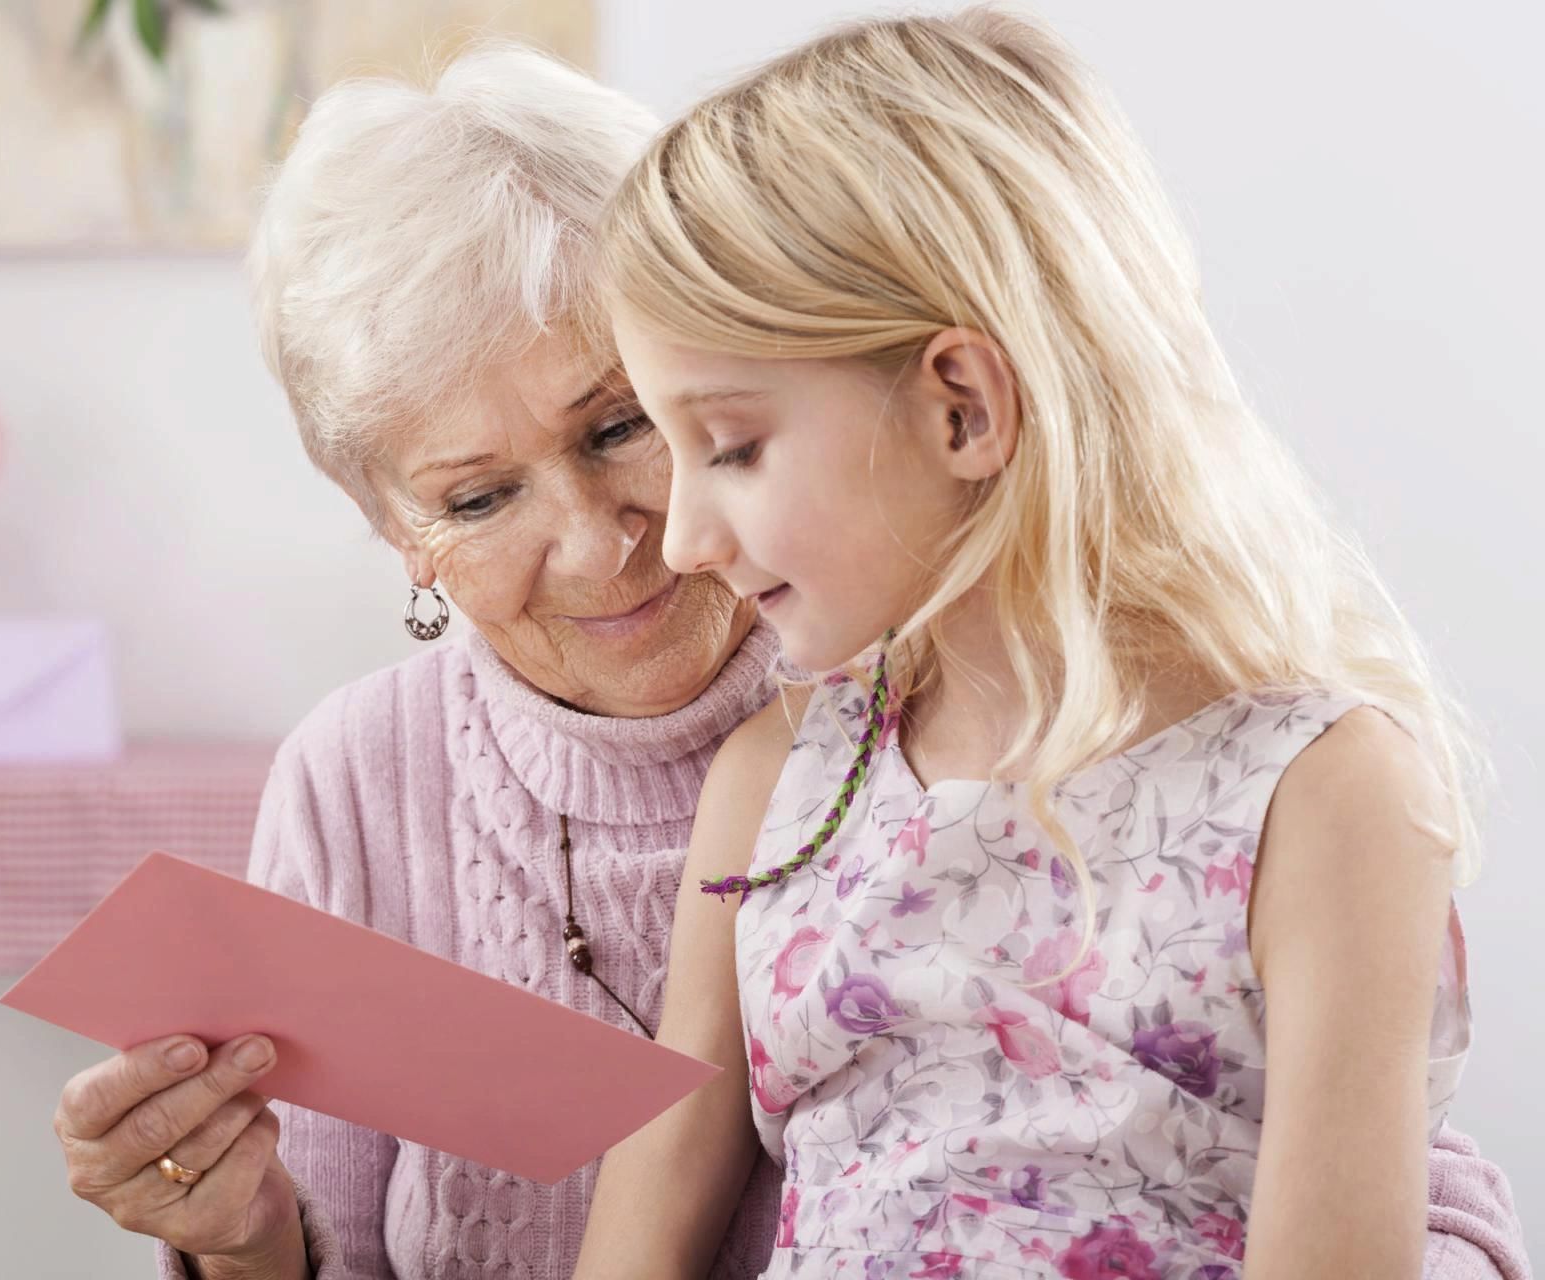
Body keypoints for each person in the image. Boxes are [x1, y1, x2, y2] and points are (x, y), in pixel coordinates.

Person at [42, 40, 1530, 1280]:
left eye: (633, 426)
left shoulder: (1263, 776)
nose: (646, 537)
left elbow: (1380, 1163)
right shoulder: (400, 784)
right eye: (478, 497)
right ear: (394, 533)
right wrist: (243, 1242)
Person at [576, 9, 1526, 1279]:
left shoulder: (1326, 792)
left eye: (734, 446)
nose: (685, 534)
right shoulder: (779, 787)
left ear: (963, 405)